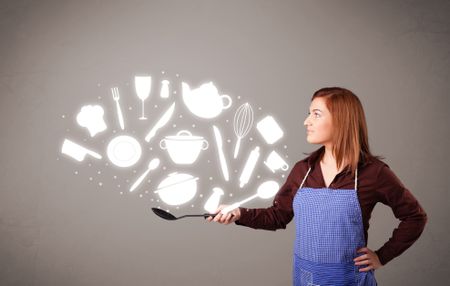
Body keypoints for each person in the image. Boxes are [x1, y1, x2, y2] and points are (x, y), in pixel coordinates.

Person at [206, 87, 428, 286]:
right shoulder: (303, 171)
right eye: (309, 113)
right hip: (306, 278)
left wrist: (382, 256)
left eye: (316, 114)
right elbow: (278, 216)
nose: (306, 121)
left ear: (341, 120)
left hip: (349, 280)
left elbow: (415, 217)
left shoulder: (374, 172)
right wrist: (238, 213)